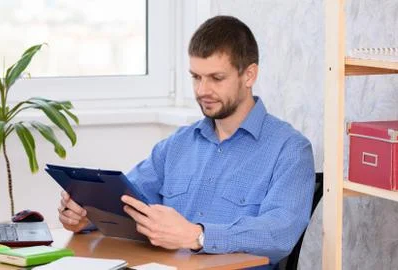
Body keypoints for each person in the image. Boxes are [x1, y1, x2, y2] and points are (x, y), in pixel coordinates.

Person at [58, 15, 315, 268]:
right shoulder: (178, 145)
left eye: (216, 78)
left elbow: (279, 233)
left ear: (249, 75)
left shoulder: (290, 149)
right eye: (196, 77)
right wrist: (87, 215)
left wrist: (197, 235)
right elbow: (127, 201)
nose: (202, 90)